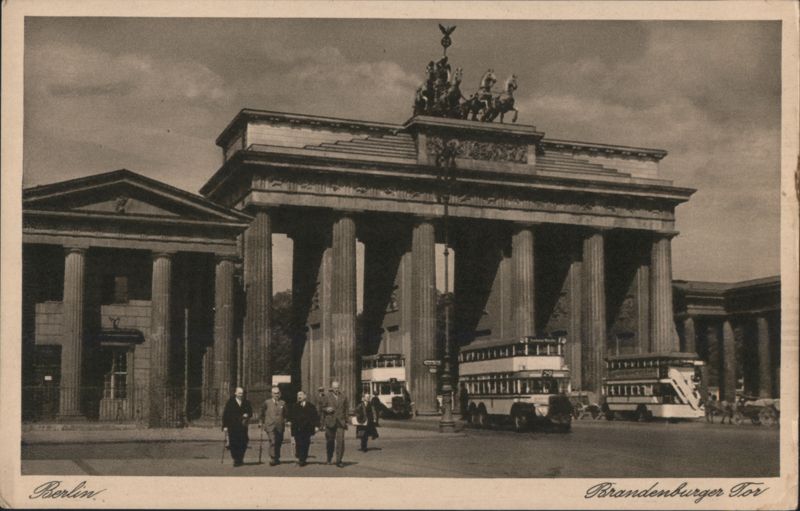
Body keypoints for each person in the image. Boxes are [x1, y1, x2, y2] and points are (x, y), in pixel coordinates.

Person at [221, 387, 253, 467]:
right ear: (235, 393)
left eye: (242, 393)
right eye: (239, 393)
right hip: (233, 426)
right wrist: (225, 426)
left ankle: (240, 457)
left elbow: (250, 412)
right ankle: (236, 459)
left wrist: (247, 414)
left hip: (243, 426)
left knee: (244, 441)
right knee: (234, 442)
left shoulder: (246, 402)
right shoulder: (230, 402)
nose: (241, 395)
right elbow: (226, 414)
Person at [320, 380, 348, 467]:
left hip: (340, 422)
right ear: (331, 388)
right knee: (330, 441)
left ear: (339, 387)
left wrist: (346, 420)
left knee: (340, 442)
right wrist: (326, 409)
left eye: (337, 387)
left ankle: (339, 460)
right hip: (330, 421)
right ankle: (329, 458)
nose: (336, 389)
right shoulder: (327, 396)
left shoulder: (343, 396)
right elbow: (322, 407)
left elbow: (346, 409)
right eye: (334, 388)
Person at [289, 390, 319, 467]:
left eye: (301, 395)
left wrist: (316, 426)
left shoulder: (311, 406)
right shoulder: (294, 406)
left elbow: (315, 417)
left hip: (307, 428)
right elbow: (292, 418)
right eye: (298, 395)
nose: (299, 396)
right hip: (297, 428)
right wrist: (291, 428)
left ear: (305, 396)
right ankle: (300, 456)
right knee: (298, 443)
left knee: (306, 443)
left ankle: (303, 459)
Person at [260, 386, 287, 466]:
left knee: (278, 441)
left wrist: (286, 420)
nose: (276, 395)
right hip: (270, 425)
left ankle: (277, 457)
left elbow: (286, 413)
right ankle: (272, 458)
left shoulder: (283, 403)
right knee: (273, 440)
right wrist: (261, 421)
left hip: (280, 425)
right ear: (272, 394)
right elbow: (262, 412)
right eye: (275, 393)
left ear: (280, 394)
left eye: (278, 393)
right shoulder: (267, 402)